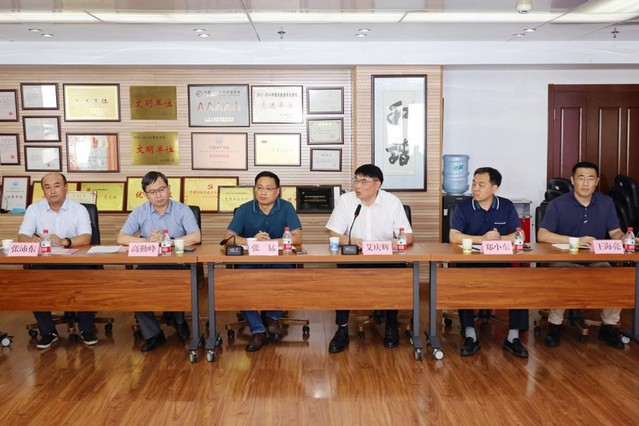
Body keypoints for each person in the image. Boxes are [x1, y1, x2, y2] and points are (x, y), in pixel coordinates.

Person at [325, 164, 413, 353]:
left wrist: (396, 241)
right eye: (356, 180)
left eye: (363, 181)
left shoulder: (391, 202)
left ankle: (391, 326)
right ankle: (341, 329)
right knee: (342, 281)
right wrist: (352, 240)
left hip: (386, 258)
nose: (358, 185)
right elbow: (334, 234)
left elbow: (408, 236)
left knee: (394, 278)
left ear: (377, 184)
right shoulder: (346, 201)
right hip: (355, 257)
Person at [537, 161, 625, 349]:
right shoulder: (557, 204)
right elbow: (542, 235)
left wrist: (624, 238)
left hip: (595, 259)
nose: (586, 183)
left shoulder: (606, 203)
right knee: (562, 275)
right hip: (564, 259)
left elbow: (615, 232)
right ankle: (554, 325)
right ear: (572, 180)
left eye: (590, 178)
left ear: (597, 181)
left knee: (615, 278)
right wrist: (575, 241)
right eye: (581, 178)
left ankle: (609, 326)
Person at [449, 167, 529, 358]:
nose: (475, 188)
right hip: (470, 262)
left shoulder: (506, 206)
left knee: (518, 282)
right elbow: (453, 236)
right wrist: (481, 239)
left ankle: (513, 337)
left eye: (481, 184)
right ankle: (470, 333)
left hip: (499, 261)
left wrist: (500, 239)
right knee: (464, 281)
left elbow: (520, 236)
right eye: (474, 183)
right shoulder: (464, 207)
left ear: (494, 188)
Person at [117, 171, 201, 352]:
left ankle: (179, 319)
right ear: (145, 194)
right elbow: (122, 238)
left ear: (169, 189)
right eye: (152, 192)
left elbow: (196, 236)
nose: (158, 195)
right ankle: (153, 333)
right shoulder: (140, 212)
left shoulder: (182, 210)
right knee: (135, 284)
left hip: (177, 262)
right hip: (149, 262)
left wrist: (167, 241)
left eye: (161, 189)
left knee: (180, 280)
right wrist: (148, 241)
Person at [223, 171, 302, 352]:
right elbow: (228, 238)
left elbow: (297, 237)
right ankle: (258, 329)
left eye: (268, 188)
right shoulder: (244, 209)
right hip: (251, 260)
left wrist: (271, 242)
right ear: (254, 190)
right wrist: (252, 240)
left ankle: (272, 317)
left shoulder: (287, 208)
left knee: (292, 278)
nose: (263, 192)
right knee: (239, 282)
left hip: (279, 259)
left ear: (277, 191)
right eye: (259, 188)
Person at [18, 172, 97, 349]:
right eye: (47, 187)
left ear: (66, 187)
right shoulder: (34, 209)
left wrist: (65, 241)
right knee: (34, 282)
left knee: (84, 281)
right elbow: (22, 235)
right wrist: (30, 240)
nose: (52, 191)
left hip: (74, 259)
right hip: (45, 260)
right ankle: (48, 332)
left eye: (57, 186)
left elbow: (86, 237)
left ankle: (87, 330)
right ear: (43, 191)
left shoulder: (79, 209)